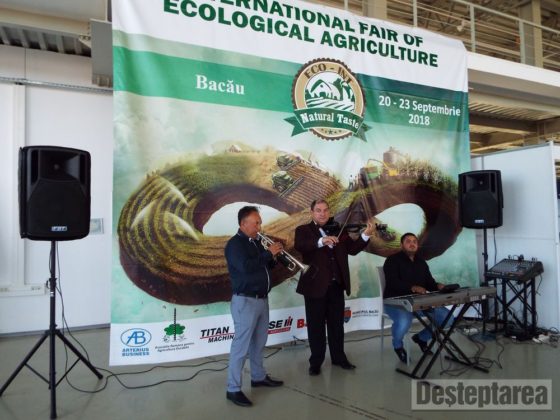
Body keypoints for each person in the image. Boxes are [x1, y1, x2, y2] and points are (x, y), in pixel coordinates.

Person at [294, 199, 374, 375]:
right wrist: (321, 241)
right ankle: (316, 362)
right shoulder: (303, 230)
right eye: (318, 210)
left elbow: (352, 249)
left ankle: (339, 358)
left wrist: (366, 235)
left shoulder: (340, 230)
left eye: (325, 210)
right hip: (315, 287)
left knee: (337, 325)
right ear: (312, 212)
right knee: (315, 326)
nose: (322, 213)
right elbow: (301, 245)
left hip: (337, 285)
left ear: (329, 212)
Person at [224, 206, 284, 407]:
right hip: (245, 301)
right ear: (243, 224)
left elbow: (263, 266)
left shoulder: (256, 242)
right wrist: (267, 254)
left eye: (260, 222)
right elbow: (245, 267)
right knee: (241, 347)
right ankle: (233, 389)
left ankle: (258, 377)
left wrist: (273, 257)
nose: (259, 226)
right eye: (256, 223)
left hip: (261, 299)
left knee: (259, 343)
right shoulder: (235, 245)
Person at [383, 232, 452, 363]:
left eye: (414, 241)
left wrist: (438, 286)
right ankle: (398, 346)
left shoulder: (421, 262)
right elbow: (393, 282)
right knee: (404, 321)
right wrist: (412, 288)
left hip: (419, 302)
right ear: (401, 245)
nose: (412, 244)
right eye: (408, 241)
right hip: (395, 302)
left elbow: (429, 283)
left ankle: (421, 338)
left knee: (447, 318)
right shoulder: (392, 260)